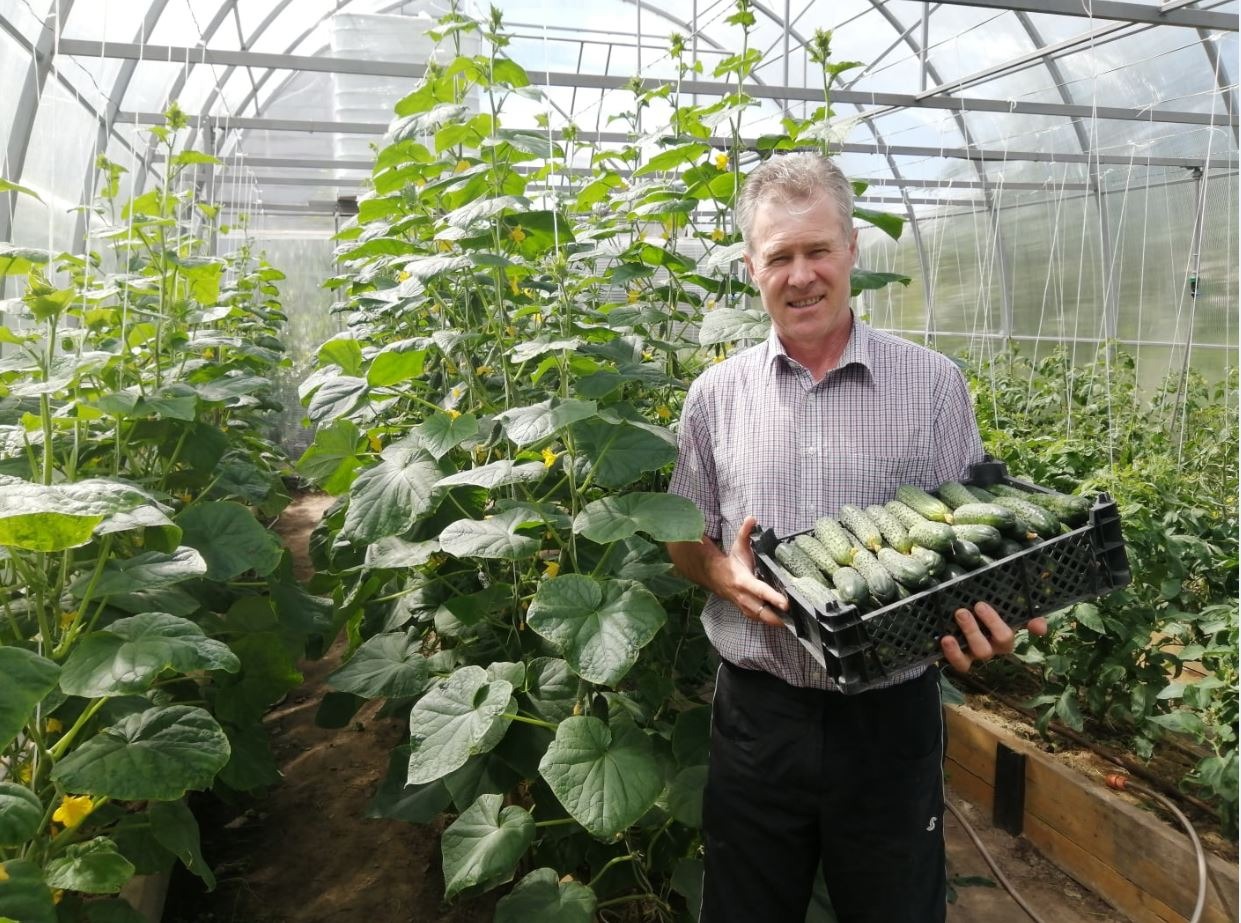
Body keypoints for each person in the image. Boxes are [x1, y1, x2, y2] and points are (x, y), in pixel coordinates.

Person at [666, 151, 1047, 923]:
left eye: (817, 250)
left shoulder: (931, 384)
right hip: (758, 717)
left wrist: (992, 618)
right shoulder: (713, 397)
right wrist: (720, 573)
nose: (800, 275)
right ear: (750, 268)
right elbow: (684, 539)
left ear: (850, 249)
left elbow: (973, 551)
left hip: (888, 719)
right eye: (779, 256)